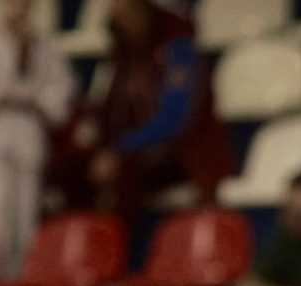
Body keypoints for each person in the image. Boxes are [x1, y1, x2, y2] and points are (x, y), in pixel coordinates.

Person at [55, 0, 229, 224]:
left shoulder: (177, 44)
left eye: (126, 13)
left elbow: (173, 119)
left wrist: (118, 150)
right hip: (136, 154)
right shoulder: (123, 55)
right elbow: (107, 110)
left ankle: (114, 248)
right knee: (74, 167)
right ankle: (78, 248)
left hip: (183, 157)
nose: (122, 22)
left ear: (142, 8)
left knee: (122, 171)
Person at [0, 0, 74, 279]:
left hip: (29, 130)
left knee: (26, 212)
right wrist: (4, 90)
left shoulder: (43, 46)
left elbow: (59, 92)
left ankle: (21, 282)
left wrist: (31, 95)